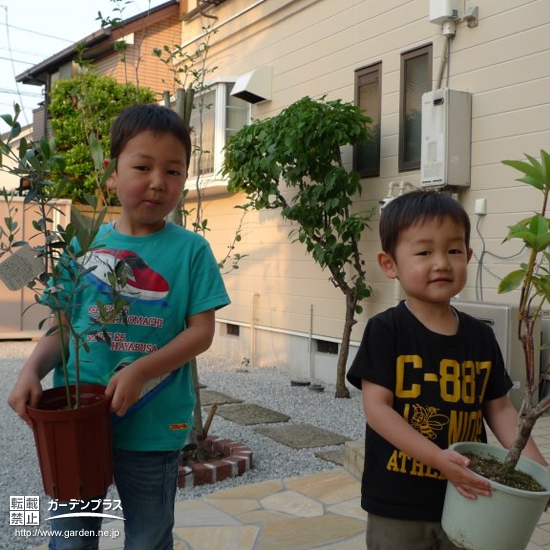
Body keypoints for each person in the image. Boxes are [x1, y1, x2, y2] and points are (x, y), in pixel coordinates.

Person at [8, 103, 230, 550]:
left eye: (173, 171)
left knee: (147, 538)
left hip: (152, 428)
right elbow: (63, 323)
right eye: (143, 166)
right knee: (71, 541)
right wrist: (30, 371)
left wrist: (141, 370)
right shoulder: (84, 245)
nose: (157, 182)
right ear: (111, 172)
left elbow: (201, 332)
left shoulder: (192, 251)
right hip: (77, 420)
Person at [346, 189, 547, 550]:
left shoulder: (480, 337)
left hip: (470, 496)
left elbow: (500, 408)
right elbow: (377, 409)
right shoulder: (386, 330)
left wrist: (539, 470)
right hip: (398, 501)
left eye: (453, 250)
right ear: (390, 264)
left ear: (468, 257)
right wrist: (438, 460)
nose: (441, 262)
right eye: (424, 252)